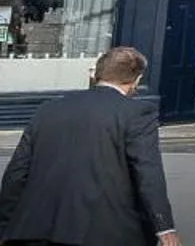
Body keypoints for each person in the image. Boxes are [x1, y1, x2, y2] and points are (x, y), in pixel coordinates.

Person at [0, 44, 179, 246]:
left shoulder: (49, 109)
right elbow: (148, 172)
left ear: (96, 75)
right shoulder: (137, 113)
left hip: (35, 230)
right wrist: (164, 227)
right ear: (135, 81)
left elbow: (16, 173)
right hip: (105, 234)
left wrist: (6, 227)